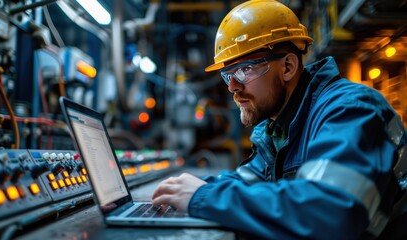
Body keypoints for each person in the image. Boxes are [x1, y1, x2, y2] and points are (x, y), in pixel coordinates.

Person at [152, 0, 407, 239]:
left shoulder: (349, 110)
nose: (232, 87)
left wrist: (204, 197)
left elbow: (330, 212)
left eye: (244, 70)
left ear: (287, 67)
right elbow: (247, 182)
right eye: (227, 74)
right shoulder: (278, 130)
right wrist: (185, 190)